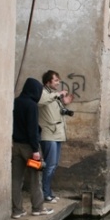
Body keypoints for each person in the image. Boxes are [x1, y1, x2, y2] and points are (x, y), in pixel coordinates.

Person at [12, 77, 54, 218]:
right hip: (30, 147)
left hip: (15, 145)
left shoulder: (16, 102)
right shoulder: (31, 105)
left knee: (16, 179)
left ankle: (17, 210)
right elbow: (32, 129)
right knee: (36, 178)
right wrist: (36, 150)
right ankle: (38, 208)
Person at [38, 70, 74, 203]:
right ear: (48, 82)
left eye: (59, 80)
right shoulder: (43, 92)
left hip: (58, 133)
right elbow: (41, 101)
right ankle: (45, 193)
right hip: (48, 134)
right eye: (56, 80)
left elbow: (55, 111)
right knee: (50, 165)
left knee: (54, 164)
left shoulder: (53, 95)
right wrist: (58, 94)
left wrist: (64, 104)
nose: (58, 83)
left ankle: (48, 192)